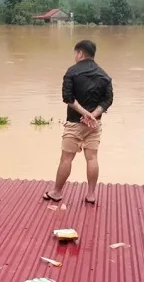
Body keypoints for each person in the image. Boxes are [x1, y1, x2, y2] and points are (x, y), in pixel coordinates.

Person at [43, 39, 113, 205]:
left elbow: (68, 98)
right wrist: (93, 115)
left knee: (66, 158)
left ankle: (57, 192)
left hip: (74, 123)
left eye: (76, 53)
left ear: (80, 53)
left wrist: (84, 114)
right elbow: (108, 100)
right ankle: (91, 195)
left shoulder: (72, 72)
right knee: (92, 158)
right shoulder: (104, 75)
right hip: (94, 125)